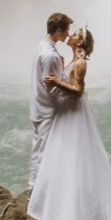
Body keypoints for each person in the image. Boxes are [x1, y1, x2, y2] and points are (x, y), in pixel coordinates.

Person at [27, 27, 111, 220]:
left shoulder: (81, 63)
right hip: (65, 113)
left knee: (75, 157)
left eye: (75, 34)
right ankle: (59, 204)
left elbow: (78, 91)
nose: (71, 34)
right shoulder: (71, 59)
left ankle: (76, 214)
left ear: (79, 42)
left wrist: (57, 82)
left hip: (73, 113)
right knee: (62, 157)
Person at [29, 11, 73, 189]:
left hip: (39, 104)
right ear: (59, 30)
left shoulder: (42, 45)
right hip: (46, 107)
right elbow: (53, 89)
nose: (68, 34)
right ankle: (36, 189)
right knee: (43, 150)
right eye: (67, 30)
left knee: (40, 147)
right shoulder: (50, 55)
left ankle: (38, 186)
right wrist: (76, 92)